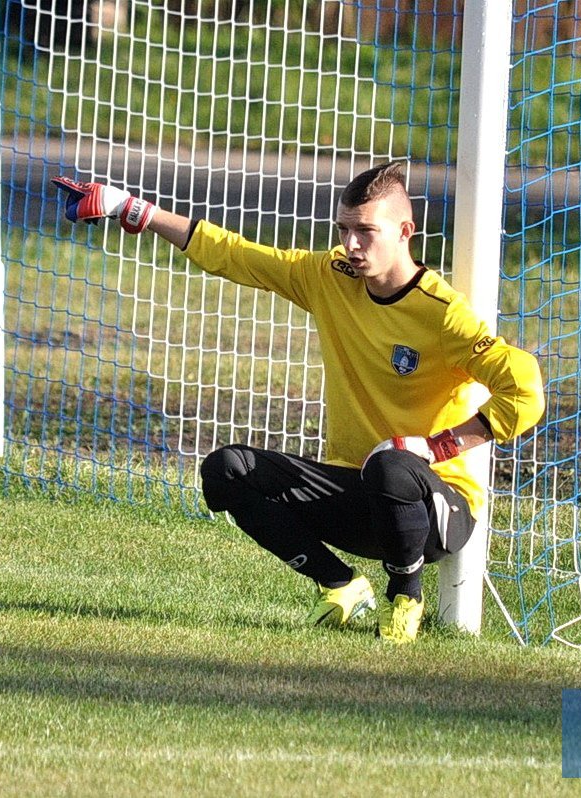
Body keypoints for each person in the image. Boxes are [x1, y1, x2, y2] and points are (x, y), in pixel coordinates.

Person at [53, 162, 544, 643]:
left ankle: (405, 600)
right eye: (343, 229)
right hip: (355, 493)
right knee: (228, 469)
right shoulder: (330, 277)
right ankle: (341, 585)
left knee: (392, 463)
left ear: (405, 231)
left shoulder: (444, 314)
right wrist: (130, 208)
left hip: (437, 511)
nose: (351, 245)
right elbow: (238, 255)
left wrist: (435, 449)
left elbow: (524, 390)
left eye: (365, 232)